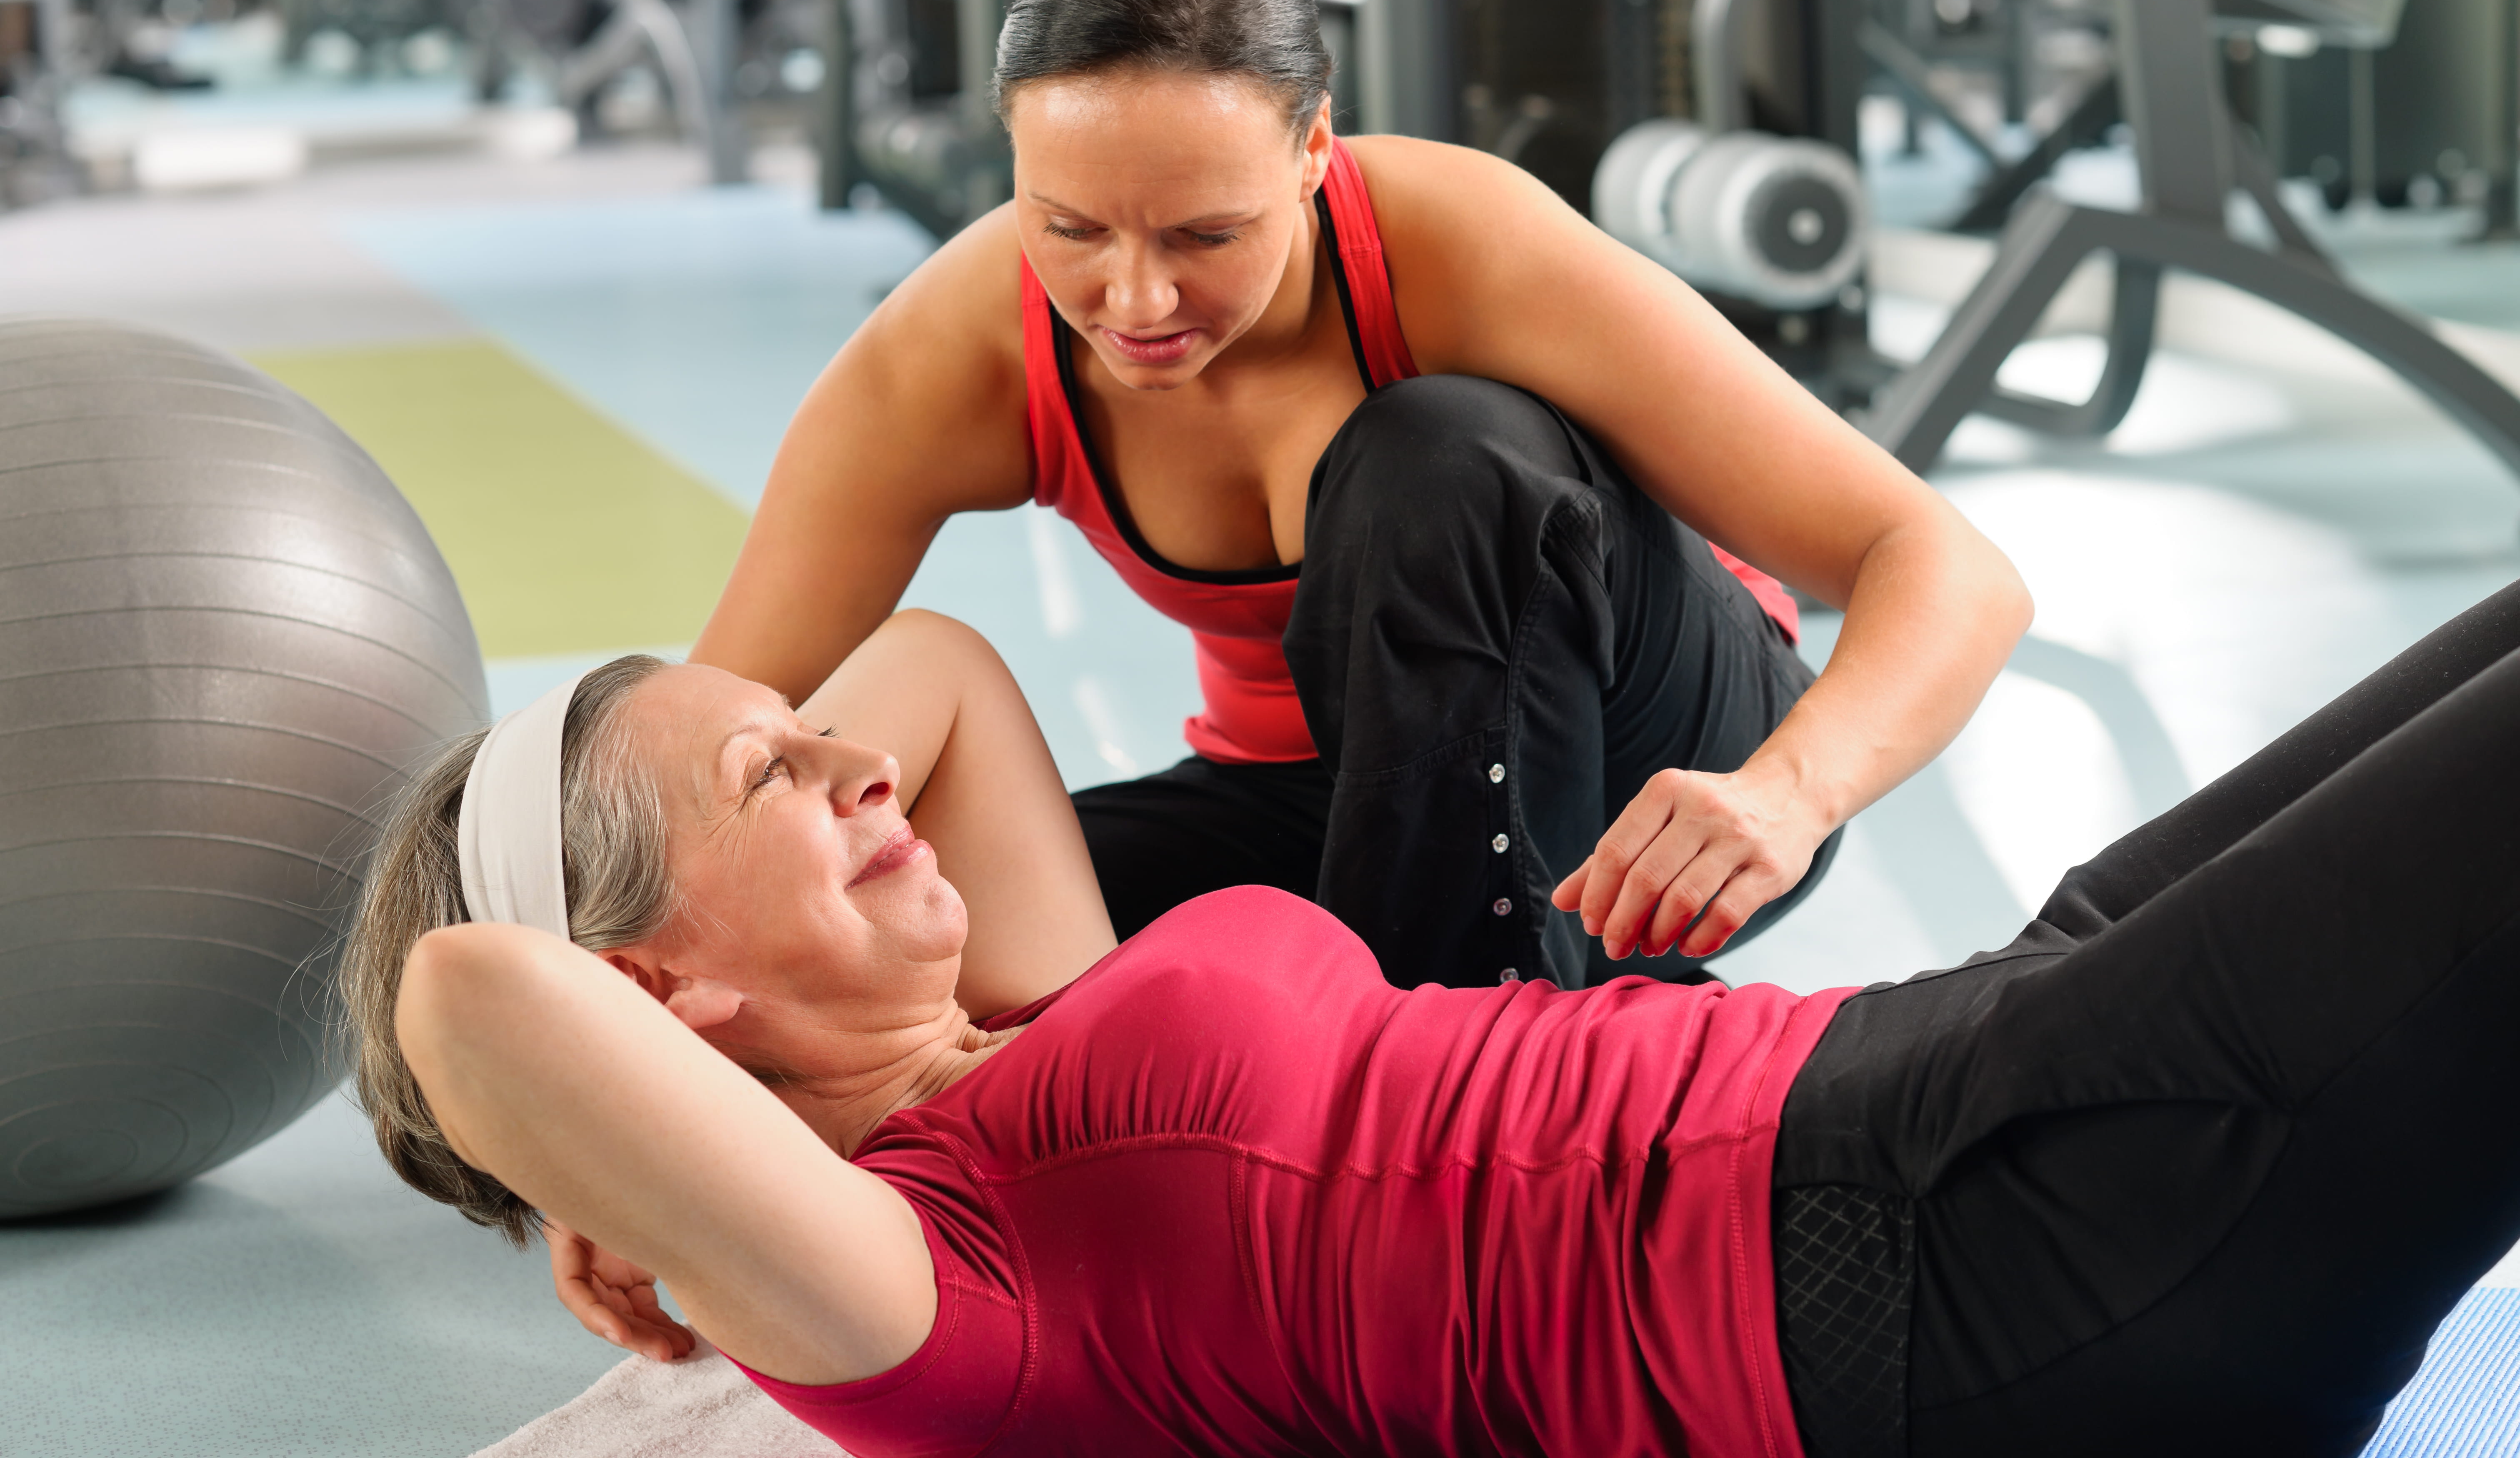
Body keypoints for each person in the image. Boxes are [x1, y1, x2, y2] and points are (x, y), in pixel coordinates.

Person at [351, 588, 2520, 1458]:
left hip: (1964, 1057)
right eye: (775, 786)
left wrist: (736, 780)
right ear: (655, 995)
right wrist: (588, 1168)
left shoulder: (1022, 1017)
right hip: (1982, 1263)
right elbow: (475, 989)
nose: (858, 766)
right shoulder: (929, 1296)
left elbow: (929, 661)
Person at [687, 0, 2030, 990]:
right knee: (904, 927)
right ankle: (1471, 1014)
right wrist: (614, 1106)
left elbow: (1945, 564)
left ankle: (1464, 1084)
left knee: (1437, 452)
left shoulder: (1466, 245)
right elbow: (702, 749)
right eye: (1071, 228)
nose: (1136, 301)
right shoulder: (955, 353)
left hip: (1667, 766)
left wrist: (1790, 794)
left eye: (1206, 235)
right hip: (1335, 805)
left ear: (1316, 148)